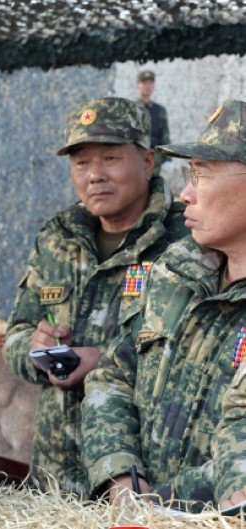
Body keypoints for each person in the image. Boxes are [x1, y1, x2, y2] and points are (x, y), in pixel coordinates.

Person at [3, 97, 188, 496]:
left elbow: (194, 358)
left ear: (147, 161)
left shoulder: (183, 242)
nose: (94, 176)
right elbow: (16, 333)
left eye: (110, 159)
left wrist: (104, 362)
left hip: (142, 483)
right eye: (81, 163)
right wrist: (37, 352)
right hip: (55, 484)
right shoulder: (59, 238)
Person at [82, 100, 246, 510]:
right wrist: (121, 477)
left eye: (201, 174)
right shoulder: (175, 273)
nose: (186, 194)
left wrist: (157, 505)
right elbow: (113, 375)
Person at [136, 70, 170, 177]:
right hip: (136, 155)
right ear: (138, 85)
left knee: (153, 187)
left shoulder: (160, 110)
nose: (147, 86)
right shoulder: (132, 108)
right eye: (144, 83)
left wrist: (168, 158)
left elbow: (164, 135)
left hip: (155, 158)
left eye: (150, 83)